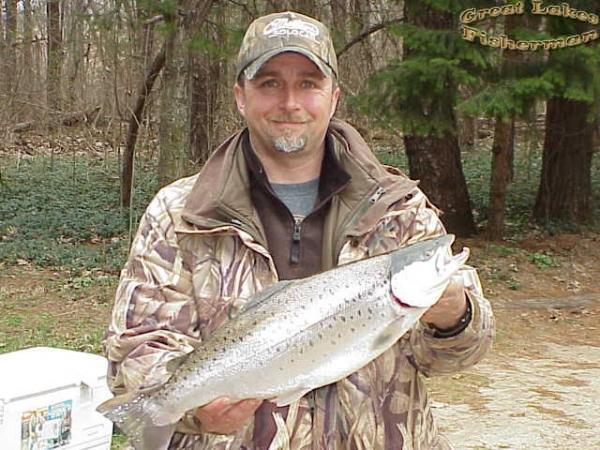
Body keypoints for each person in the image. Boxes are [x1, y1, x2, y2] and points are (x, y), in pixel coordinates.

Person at [103, 10, 494, 450]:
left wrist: (455, 316)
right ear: (240, 96)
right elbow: (135, 349)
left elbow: (458, 355)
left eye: (308, 84)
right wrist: (193, 407)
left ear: (334, 97)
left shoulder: (397, 207)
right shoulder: (180, 213)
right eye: (270, 83)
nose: (290, 103)